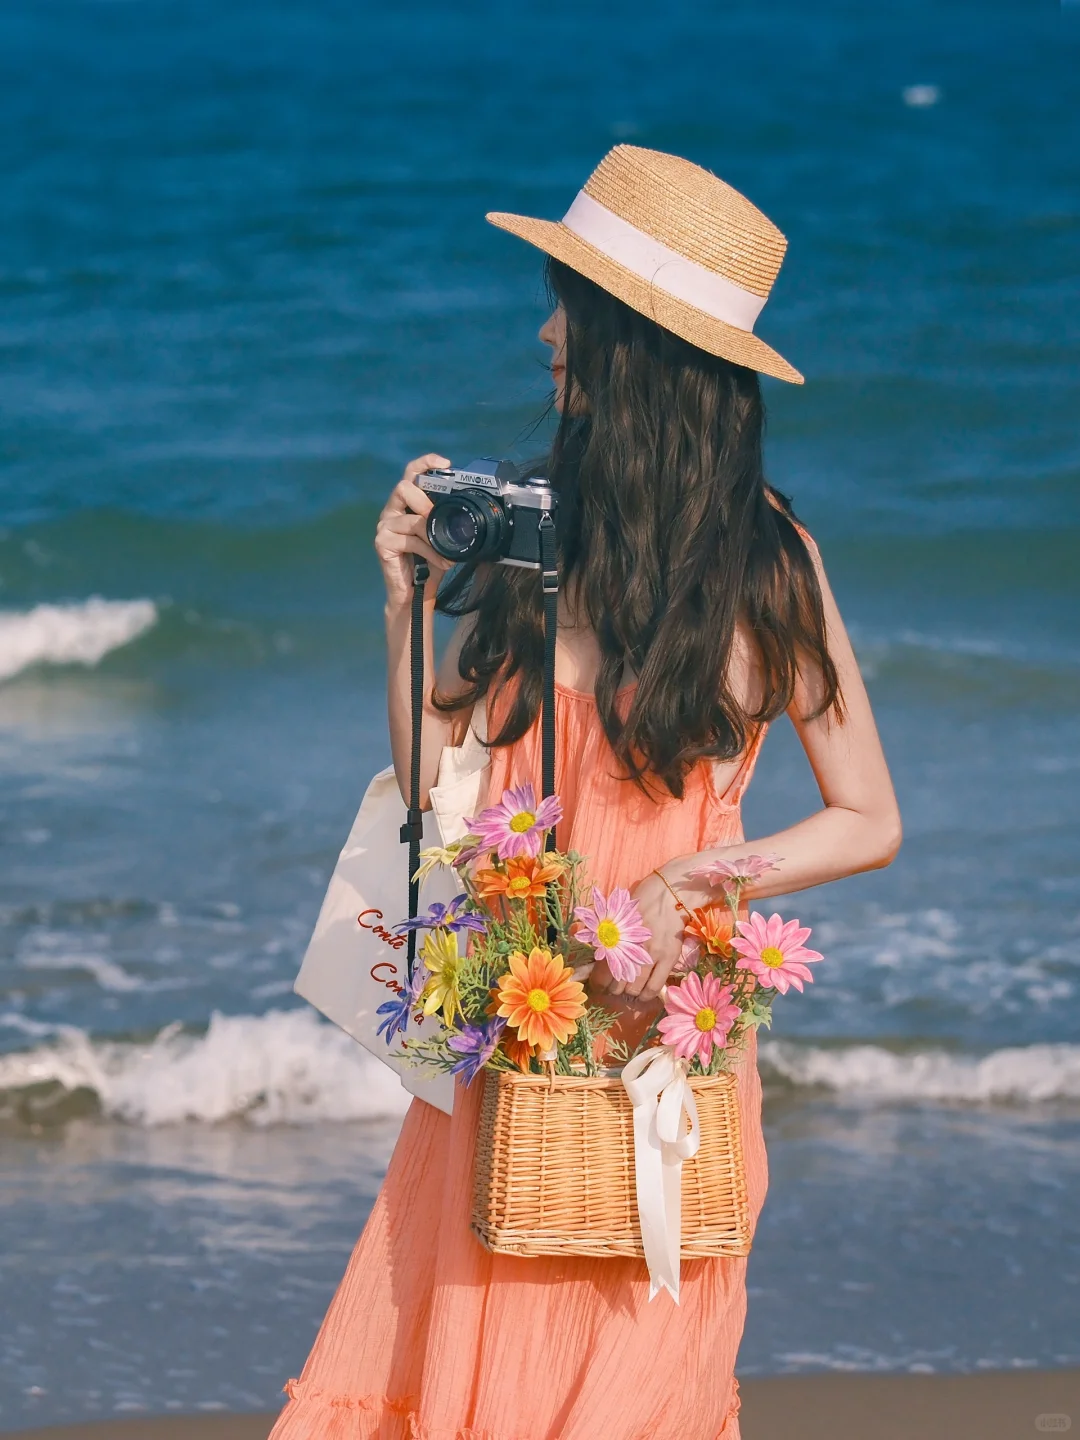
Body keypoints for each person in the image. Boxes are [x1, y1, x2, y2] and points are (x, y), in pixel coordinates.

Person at [271, 145, 901, 1440]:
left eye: (574, 306)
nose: (547, 332)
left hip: (669, 1047)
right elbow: (430, 779)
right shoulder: (529, 532)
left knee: (636, 1391)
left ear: (639, 349)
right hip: (512, 1034)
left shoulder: (773, 565)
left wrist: (692, 878)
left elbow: (868, 819)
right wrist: (400, 601)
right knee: (465, 1384)